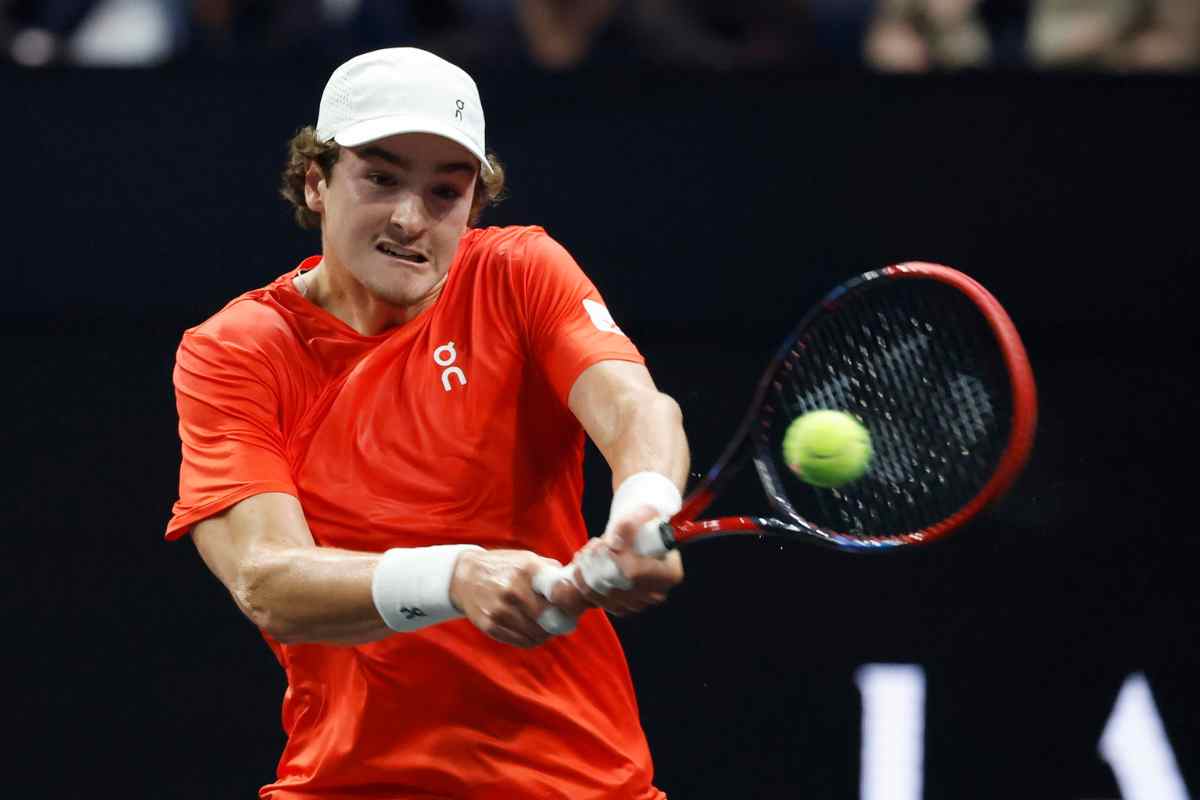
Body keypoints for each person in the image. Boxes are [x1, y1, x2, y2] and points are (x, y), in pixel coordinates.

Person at [166, 47, 690, 799]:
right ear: (316, 181)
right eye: (380, 179)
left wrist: (645, 507)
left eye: (446, 192)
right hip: (350, 783)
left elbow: (635, 405)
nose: (411, 220)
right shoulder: (236, 351)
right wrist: (456, 577)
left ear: (474, 207)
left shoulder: (519, 272)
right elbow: (266, 580)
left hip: (577, 780)